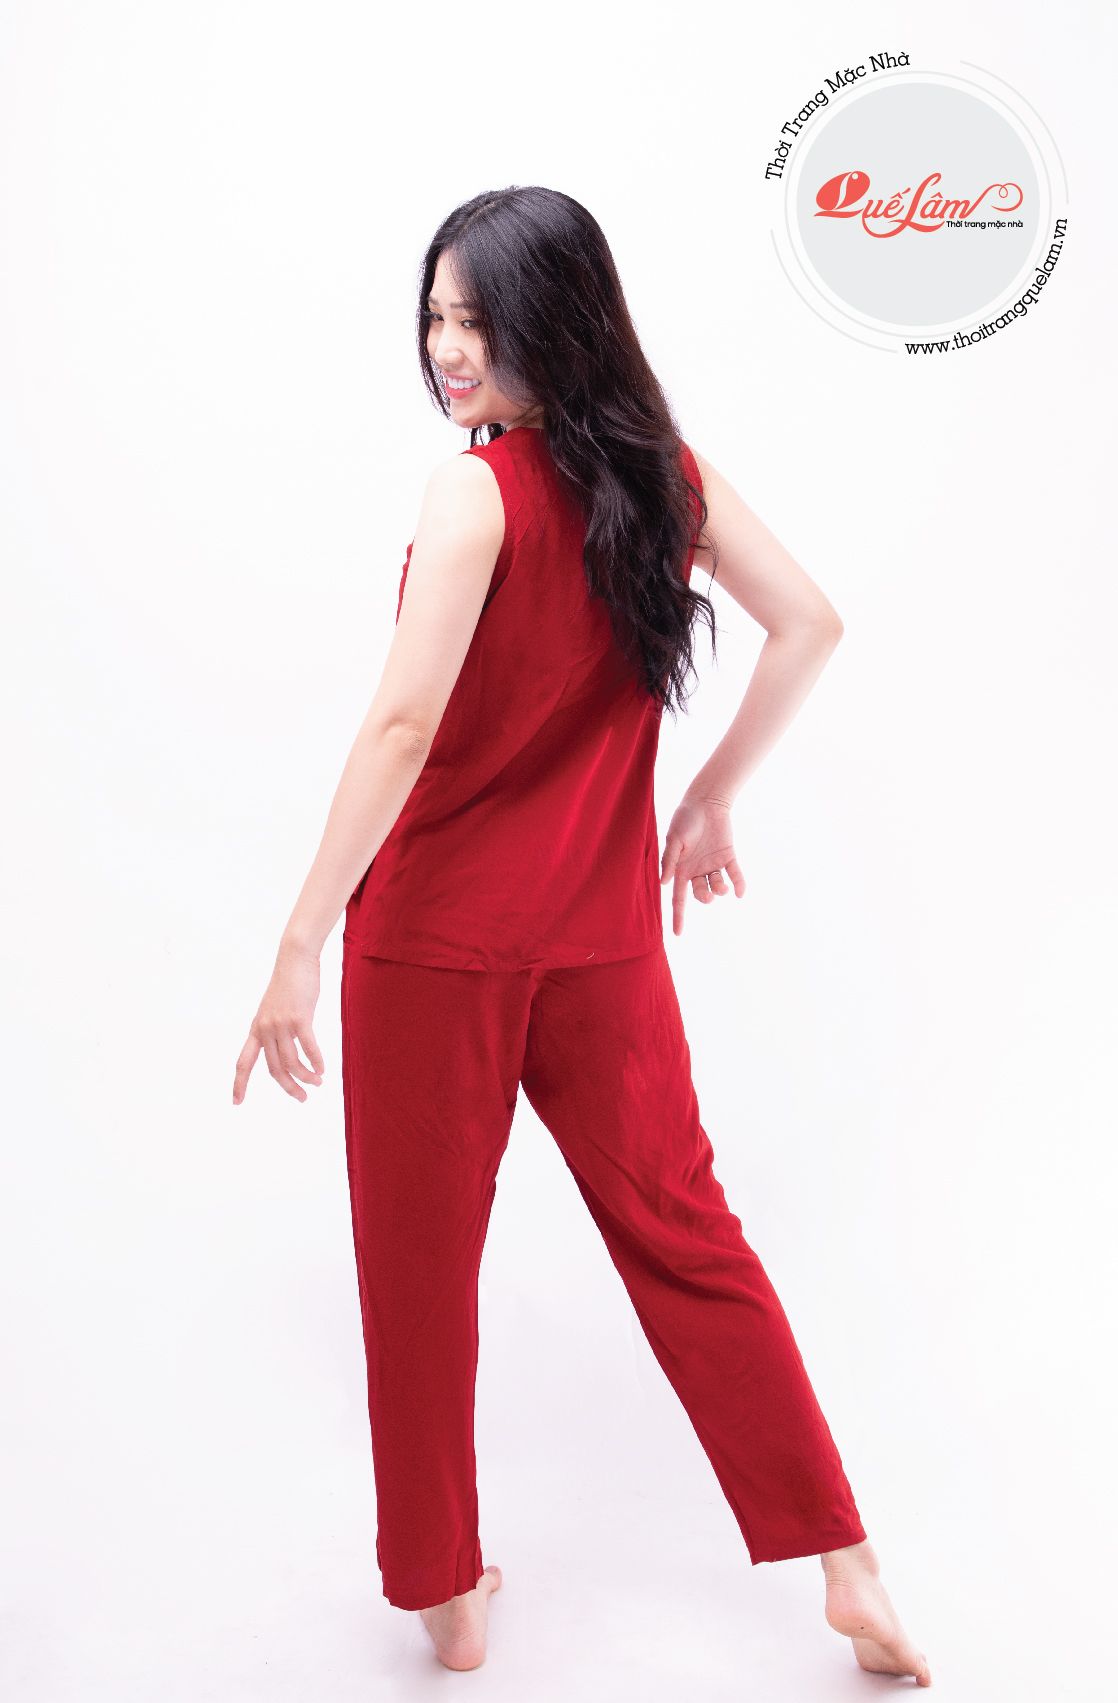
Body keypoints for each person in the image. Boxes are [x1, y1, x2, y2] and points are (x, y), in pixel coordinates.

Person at [232, 186, 932, 1688]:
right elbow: (809, 621)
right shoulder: (667, 479)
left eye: (478, 322)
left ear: (556, 320)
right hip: (602, 940)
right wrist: (710, 797)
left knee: (417, 1270)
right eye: (435, 318)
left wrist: (299, 938)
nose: (449, 351)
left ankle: (447, 1594)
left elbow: (402, 726)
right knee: (689, 1234)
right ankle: (845, 1562)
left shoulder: (473, 493)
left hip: (431, 946)